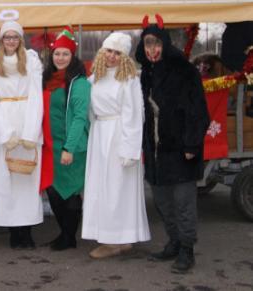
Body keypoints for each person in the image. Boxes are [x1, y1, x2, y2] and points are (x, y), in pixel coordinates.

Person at [135, 17, 210, 273]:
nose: (152, 50)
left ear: (164, 45)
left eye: (156, 45)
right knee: (163, 201)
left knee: (183, 203)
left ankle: (187, 250)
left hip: (180, 150)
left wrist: (191, 144)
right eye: (147, 45)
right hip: (156, 152)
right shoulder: (145, 73)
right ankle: (174, 243)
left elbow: (197, 110)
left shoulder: (183, 70)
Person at [81, 32, 151, 258]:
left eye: (117, 53)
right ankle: (115, 238)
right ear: (102, 51)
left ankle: (116, 240)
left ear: (124, 56)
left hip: (119, 138)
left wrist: (130, 149)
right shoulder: (94, 79)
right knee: (102, 188)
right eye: (109, 51)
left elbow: (134, 115)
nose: (112, 56)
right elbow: (90, 112)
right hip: (100, 136)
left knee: (118, 189)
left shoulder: (129, 80)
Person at [0, 16, 43, 249]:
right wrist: (5, 135)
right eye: (7, 36)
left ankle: (25, 232)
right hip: (3, 127)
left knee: (26, 181)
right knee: (6, 180)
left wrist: (30, 132)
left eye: (15, 36)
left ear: (20, 39)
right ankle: (12, 231)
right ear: (1, 39)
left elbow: (36, 96)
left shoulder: (32, 62)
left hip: (27, 120)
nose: (11, 40)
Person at [40, 27, 90, 251]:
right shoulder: (47, 79)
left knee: (69, 191)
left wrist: (69, 147)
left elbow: (80, 117)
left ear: (73, 56)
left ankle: (69, 237)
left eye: (65, 54)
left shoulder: (78, 83)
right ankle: (64, 233)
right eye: (57, 54)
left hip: (70, 145)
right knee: (53, 189)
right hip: (51, 145)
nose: (60, 58)